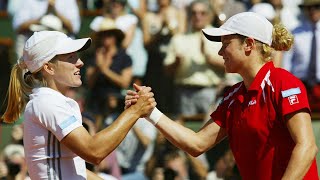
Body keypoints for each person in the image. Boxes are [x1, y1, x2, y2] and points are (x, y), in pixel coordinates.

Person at [125, 12, 319, 179]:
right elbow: (196, 144)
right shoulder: (233, 96)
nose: (219, 51)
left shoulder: (284, 82)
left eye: (226, 43)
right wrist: (150, 112)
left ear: (249, 44)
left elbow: (307, 146)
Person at [1, 30, 156, 179]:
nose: (80, 62)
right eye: (71, 57)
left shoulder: (50, 101)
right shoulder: (47, 102)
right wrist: (135, 112)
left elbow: (76, 169)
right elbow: (94, 151)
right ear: (48, 67)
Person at [282, 0, 320, 112]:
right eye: (309, 8)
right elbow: (287, 62)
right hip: (300, 85)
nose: (312, 11)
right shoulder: (295, 32)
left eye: (316, 7)